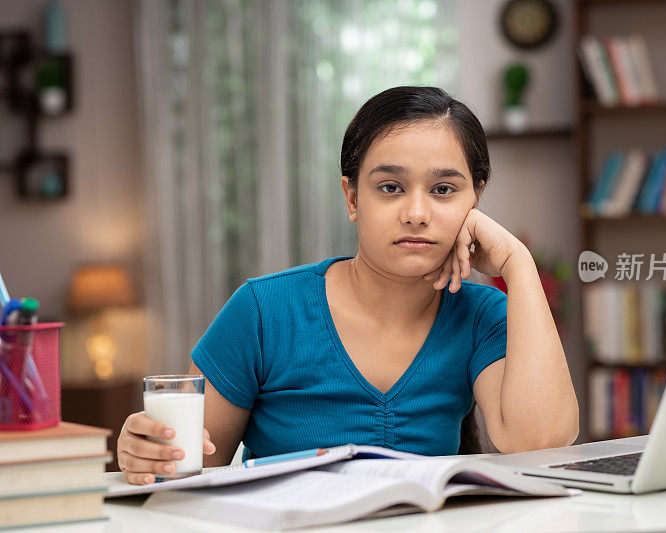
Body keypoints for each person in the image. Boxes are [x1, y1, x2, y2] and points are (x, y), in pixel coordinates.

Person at [117, 86, 579, 485]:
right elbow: (186, 469)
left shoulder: (480, 313)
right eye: (390, 187)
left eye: (443, 190)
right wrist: (147, 452)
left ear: (474, 200)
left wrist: (516, 261)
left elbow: (539, 442)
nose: (416, 213)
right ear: (353, 198)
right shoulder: (262, 310)